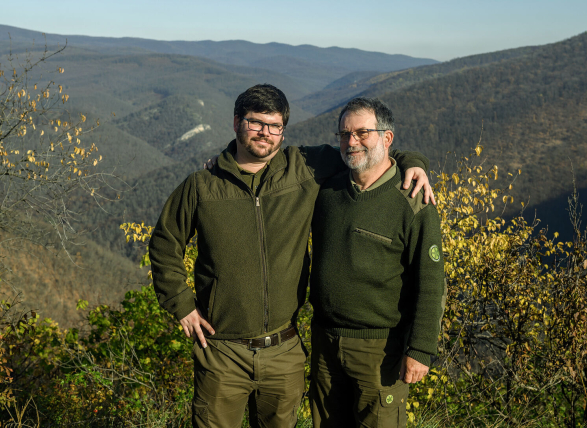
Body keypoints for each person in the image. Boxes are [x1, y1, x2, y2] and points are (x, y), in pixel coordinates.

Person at [148, 84, 434, 428]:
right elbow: (165, 242)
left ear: (284, 130)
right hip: (221, 350)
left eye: (275, 126)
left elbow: (366, 153)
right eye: (255, 123)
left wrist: (412, 163)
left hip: (284, 350)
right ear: (237, 122)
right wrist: (181, 304)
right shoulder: (202, 186)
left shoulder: (303, 168)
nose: (265, 134)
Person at [309, 97, 446, 428]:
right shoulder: (326, 190)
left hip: (381, 350)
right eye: (344, 134)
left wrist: (421, 349)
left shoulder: (412, 201)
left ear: (387, 138)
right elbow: (271, 159)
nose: (351, 141)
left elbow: (430, 282)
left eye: (361, 132)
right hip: (325, 343)